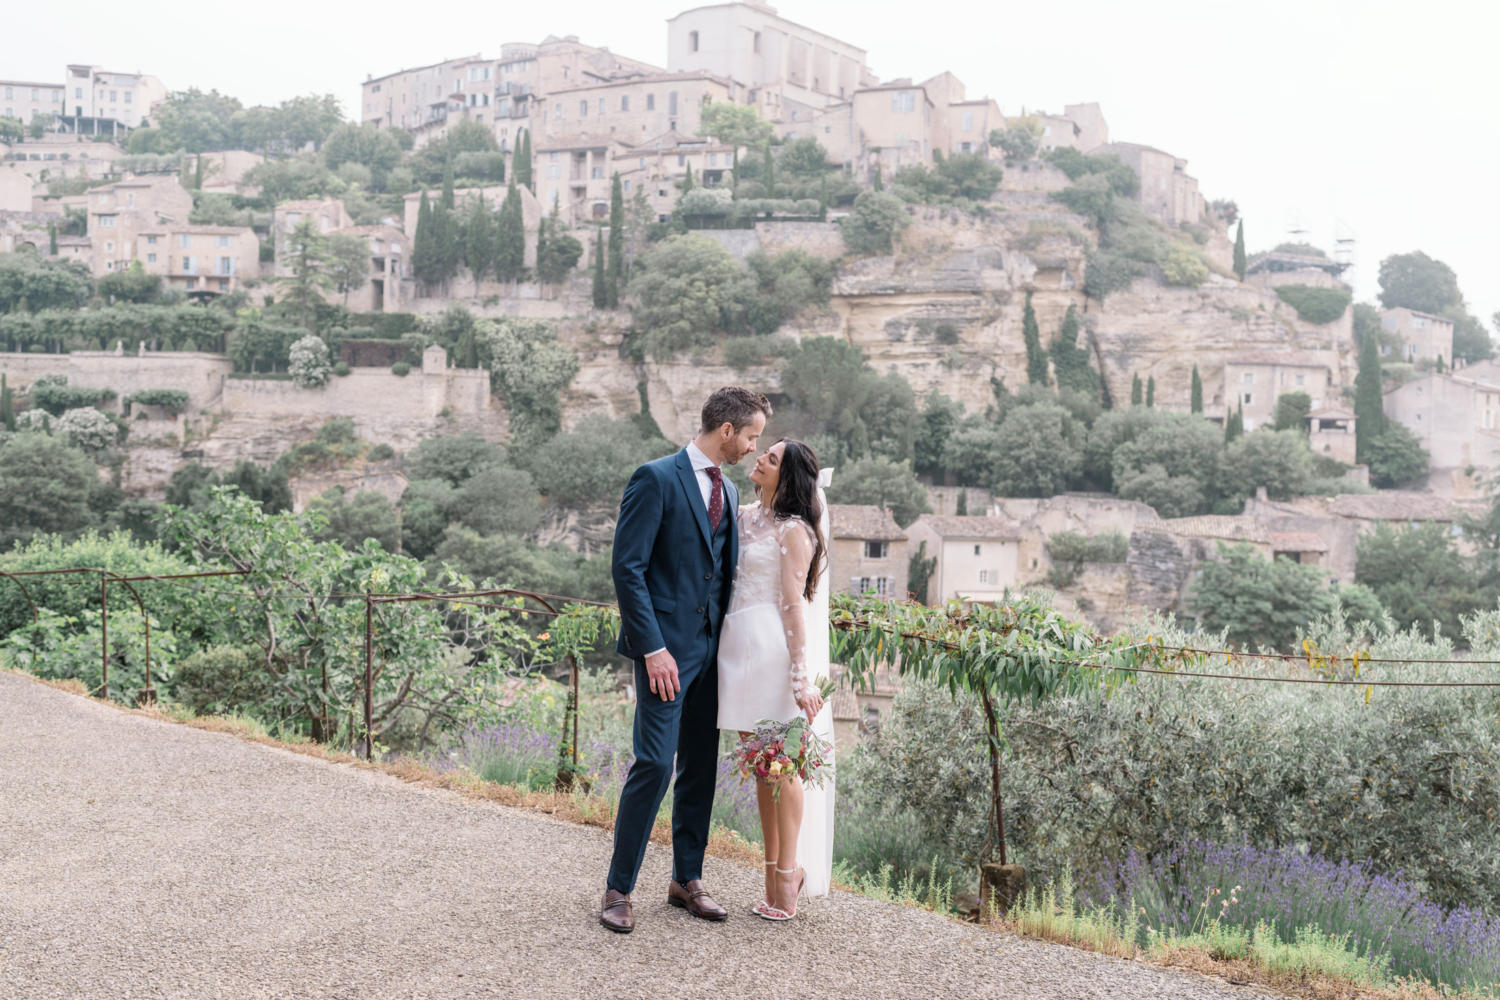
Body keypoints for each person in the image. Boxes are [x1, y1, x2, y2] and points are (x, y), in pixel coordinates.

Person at [600, 386, 772, 934]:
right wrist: (652, 649)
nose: (752, 447)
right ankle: (618, 888)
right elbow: (628, 569)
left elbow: (721, 576)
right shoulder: (655, 478)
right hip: (665, 654)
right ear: (727, 431)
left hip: (713, 655)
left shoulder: (727, 488)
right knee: (653, 763)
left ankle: (686, 880)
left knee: (700, 766)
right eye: (752, 436)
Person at [716, 438, 836, 920]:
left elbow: (794, 604)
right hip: (735, 648)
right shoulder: (744, 516)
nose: (759, 459)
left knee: (780, 768)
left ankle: (788, 876)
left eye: (770, 458)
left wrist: (801, 677)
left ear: (786, 477)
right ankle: (770, 876)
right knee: (761, 772)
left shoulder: (795, 532)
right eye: (762, 451)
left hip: (770, 650)